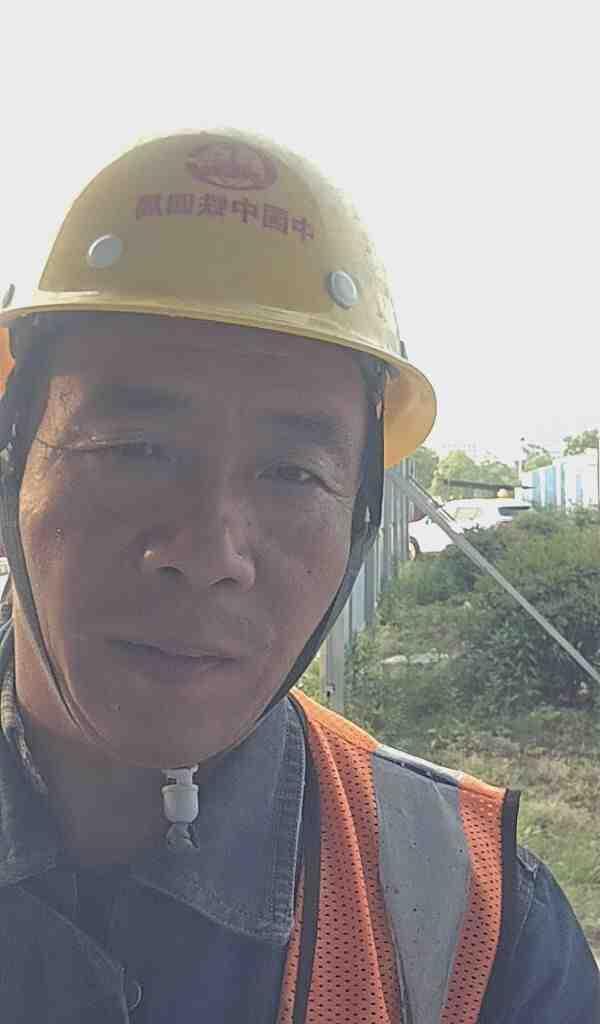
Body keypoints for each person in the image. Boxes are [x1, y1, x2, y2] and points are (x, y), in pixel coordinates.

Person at [0, 130, 597, 1024]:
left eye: (292, 474)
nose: (209, 554)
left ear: (358, 519)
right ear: (13, 468)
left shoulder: (477, 927)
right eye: (135, 449)